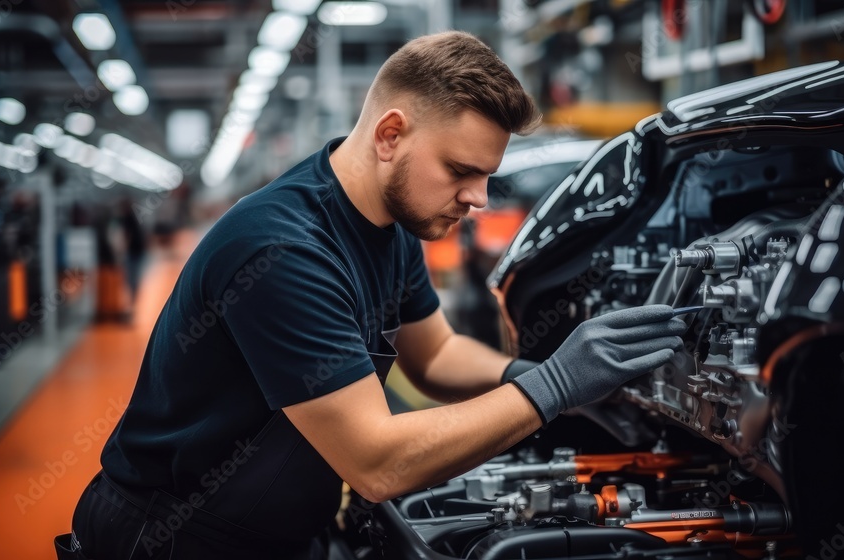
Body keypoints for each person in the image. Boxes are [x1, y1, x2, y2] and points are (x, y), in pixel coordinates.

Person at [57, 31, 685, 560]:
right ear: (390, 135)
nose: (478, 199)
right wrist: (555, 390)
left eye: (486, 176)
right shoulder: (281, 250)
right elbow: (379, 463)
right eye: (461, 171)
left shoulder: (391, 225)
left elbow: (434, 356)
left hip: (281, 526)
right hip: (173, 537)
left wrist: (546, 378)